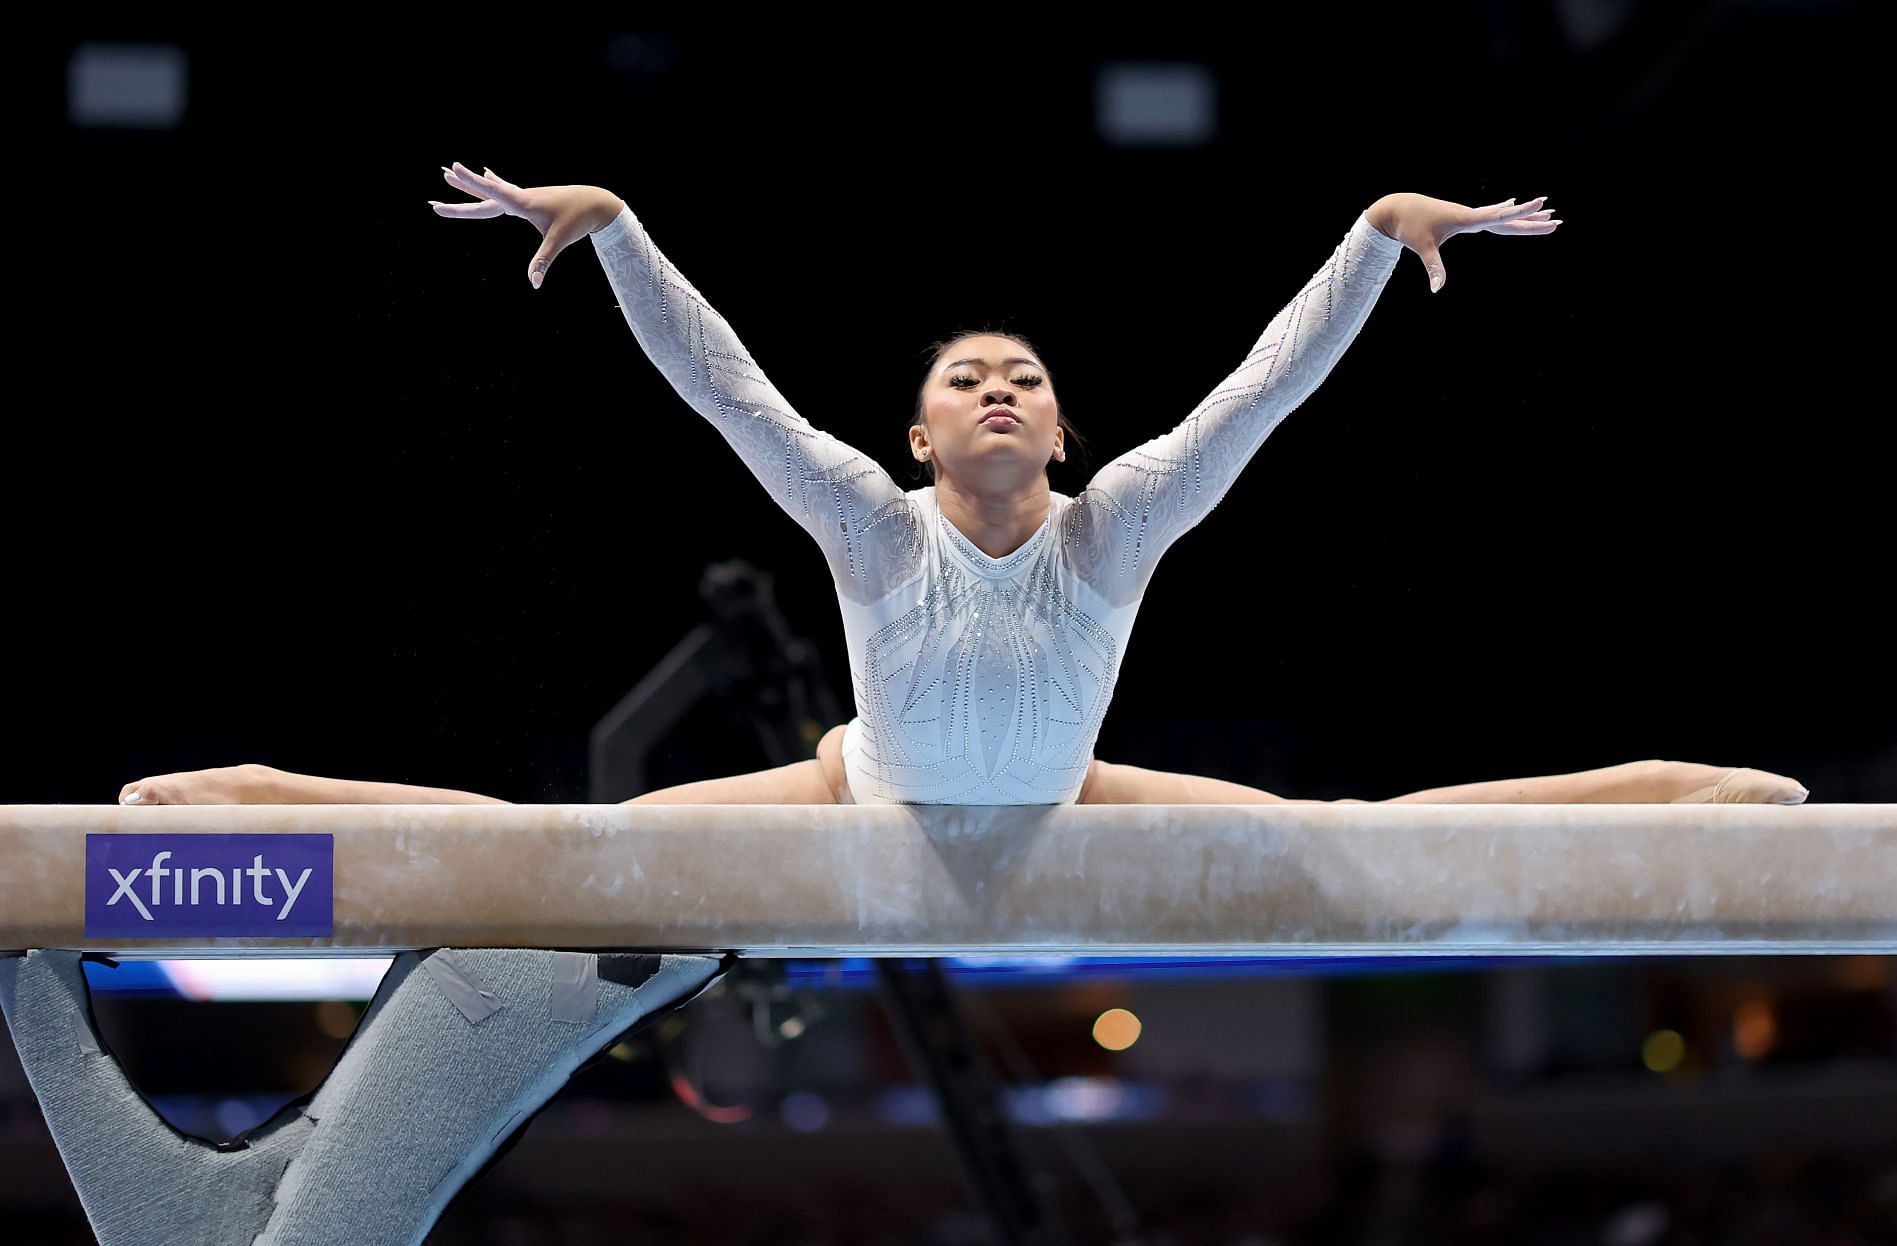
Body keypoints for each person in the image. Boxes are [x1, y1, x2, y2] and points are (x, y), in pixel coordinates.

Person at [117, 163, 1805, 810]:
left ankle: (1667, 783)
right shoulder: (866, 522)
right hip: (869, 802)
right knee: (581, 853)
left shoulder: (1120, 521)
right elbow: (731, 395)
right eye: (963, 379)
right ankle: (256, 787)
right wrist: (624, 226)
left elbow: (1261, 391)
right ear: (920, 439)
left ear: (1059, 436)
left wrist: (1374, 237)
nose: (998, 388)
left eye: (1025, 379)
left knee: (1352, 841)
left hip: (1069, 801)